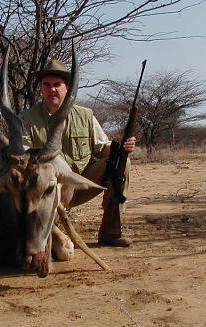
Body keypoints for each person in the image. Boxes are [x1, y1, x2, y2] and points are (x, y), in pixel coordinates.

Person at [21, 58, 136, 247]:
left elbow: (102, 147)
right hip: (48, 190)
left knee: (121, 161)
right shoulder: (26, 118)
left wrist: (122, 148)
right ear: (41, 88)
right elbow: (23, 158)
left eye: (57, 84)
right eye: (47, 85)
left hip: (82, 184)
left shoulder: (85, 115)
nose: (52, 90)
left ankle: (110, 231)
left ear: (66, 87)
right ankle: (43, 230)